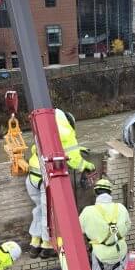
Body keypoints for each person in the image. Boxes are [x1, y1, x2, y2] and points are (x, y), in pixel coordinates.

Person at [26, 109, 95, 259]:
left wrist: (75, 149)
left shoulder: (45, 129)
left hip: (32, 177)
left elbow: (36, 149)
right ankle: (46, 246)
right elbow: (76, 161)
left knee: (38, 210)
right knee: (48, 213)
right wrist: (86, 166)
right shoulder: (67, 133)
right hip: (46, 177)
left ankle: (34, 243)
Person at [78, 178, 131, 270]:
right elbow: (128, 227)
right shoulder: (121, 208)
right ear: (110, 192)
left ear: (96, 192)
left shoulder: (88, 211)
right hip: (120, 252)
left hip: (100, 254)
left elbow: (79, 232)